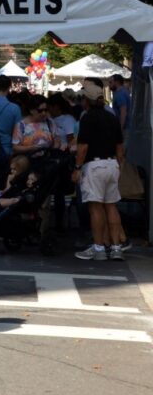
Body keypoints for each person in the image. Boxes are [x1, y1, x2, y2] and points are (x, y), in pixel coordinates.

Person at [74, 81, 127, 261]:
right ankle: (116, 247)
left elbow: (82, 147)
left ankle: (98, 248)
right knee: (112, 206)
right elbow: (120, 147)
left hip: (94, 165)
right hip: (112, 164)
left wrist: (77, 168)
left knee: (95, 207)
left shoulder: (87, 118)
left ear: (87, 100)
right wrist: (119, 166)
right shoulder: (112, 118)